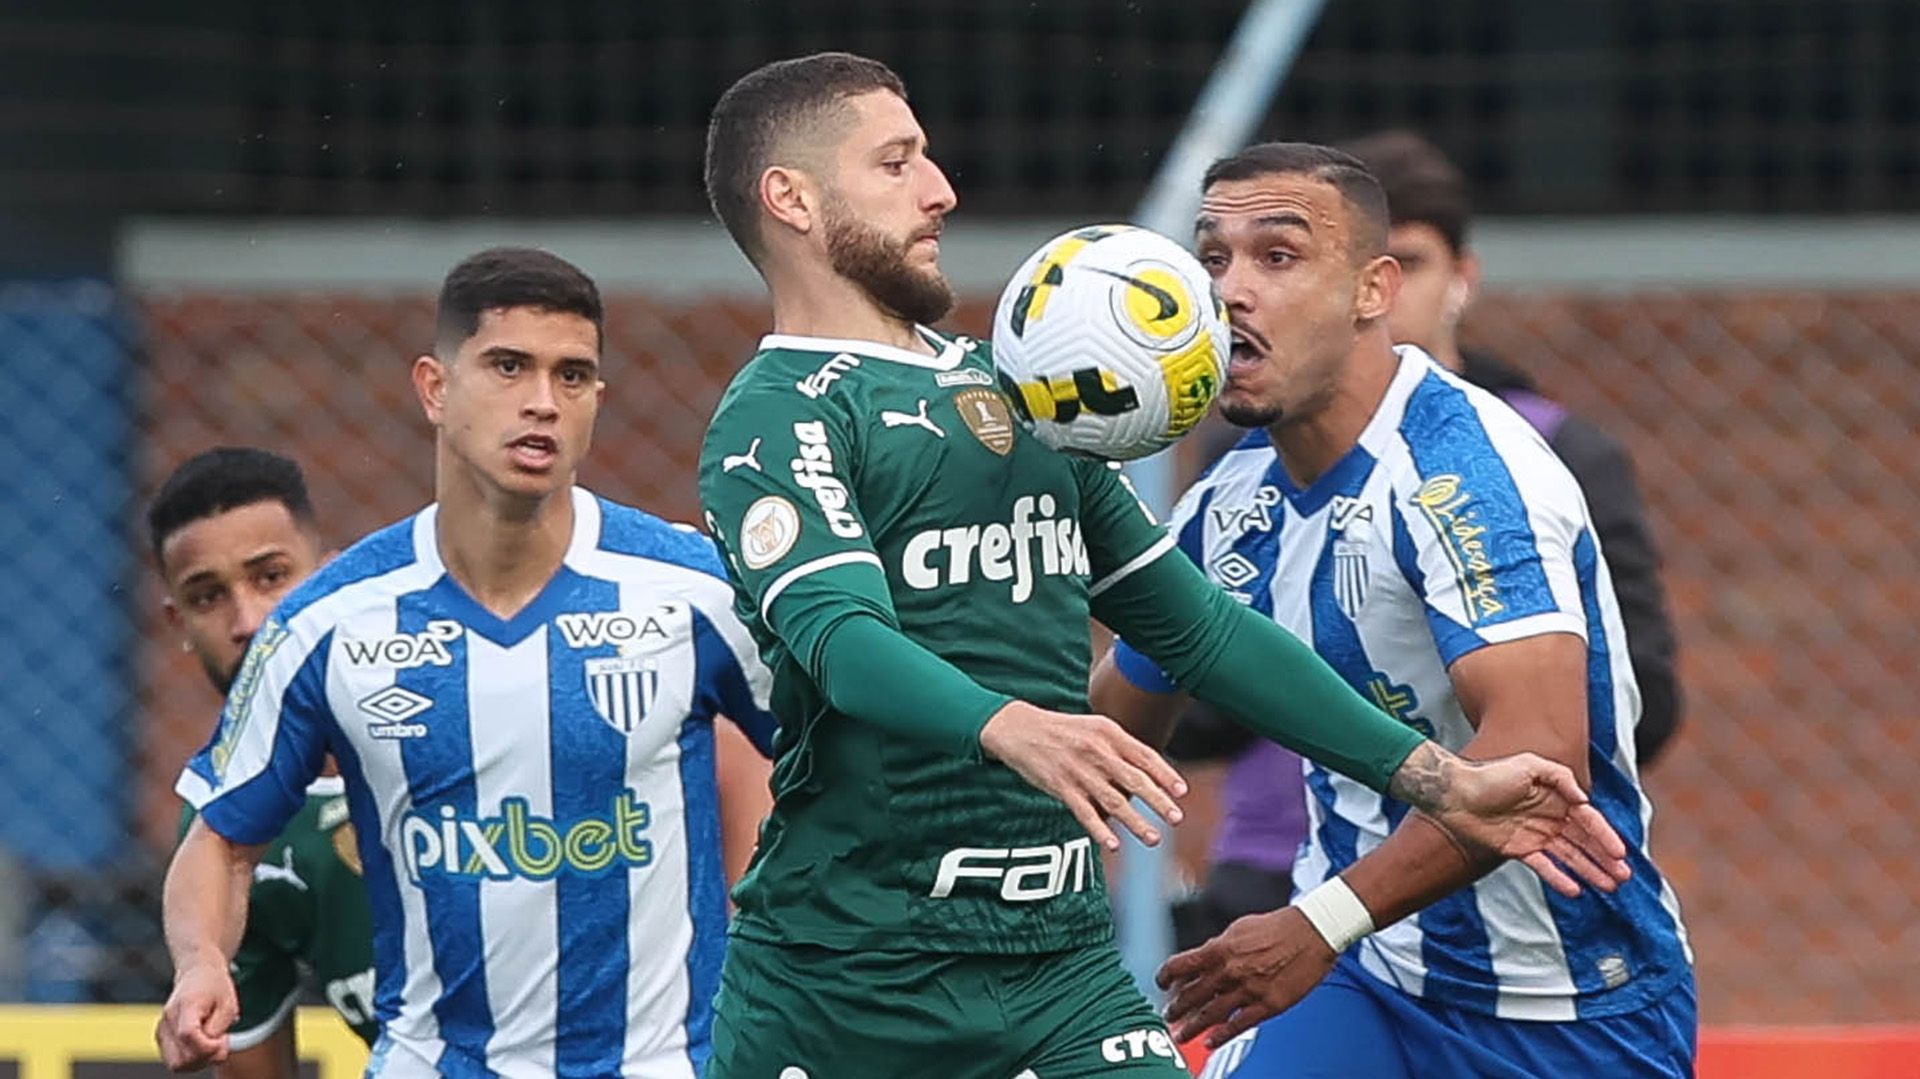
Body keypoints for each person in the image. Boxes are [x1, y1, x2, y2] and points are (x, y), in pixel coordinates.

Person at [695, 52, 1629, 1079]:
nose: (940, 189)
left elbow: (1198, 626)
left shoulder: (1013, 392)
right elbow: (843, 641)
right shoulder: (780, 413)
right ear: (791, 197)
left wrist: (1433, 777)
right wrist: (1011, 722)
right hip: (851, 973)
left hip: (1057, 965)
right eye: (896, 163)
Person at [1092, 143, 1694, 1077]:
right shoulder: (1232, 499)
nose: (1230, 291)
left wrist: (1315, 923)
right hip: (1363, 977)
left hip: (1566, 994)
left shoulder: (1463, 474)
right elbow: (1106, 732)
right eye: (1213, 258)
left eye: (1277, 256)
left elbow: (1535, 765)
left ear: (1374, 290)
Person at [157, 247, 780, 1077]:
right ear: (435, 388)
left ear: (596, 402)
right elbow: (221, 840)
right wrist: (199, 959)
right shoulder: (325, 622)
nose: (541, 402)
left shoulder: (692, 590)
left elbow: (832, 761)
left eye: (572, 376)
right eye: (509, 366)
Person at [1338, 129, 1683, 766]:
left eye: (1407, 264)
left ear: (1462, 277)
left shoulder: (1558, 449)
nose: (1380, 294)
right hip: (1278, 848)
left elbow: (1646, 697)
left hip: (1496, 829)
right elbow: (1195, 696)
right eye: (1357, 269)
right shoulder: (1256, 452)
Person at [149, 447, 378, 1074]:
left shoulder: (456, 720)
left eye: (271, 577)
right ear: (180, 624)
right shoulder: (220, 844)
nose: (249, 620)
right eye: (207, 596)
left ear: (332, 579)